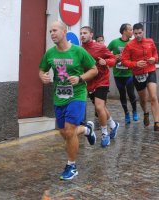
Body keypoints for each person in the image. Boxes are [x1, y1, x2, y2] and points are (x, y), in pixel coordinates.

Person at [39, 21, 98, 180]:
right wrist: (42, 76)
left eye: (55, 30)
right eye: (50, 31)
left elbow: (94, 70)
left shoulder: (78, 51)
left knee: (70, 130)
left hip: (77, 95)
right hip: (59, 96)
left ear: (64, 32)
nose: (52, 33)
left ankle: (71, 166)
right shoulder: (50, 54)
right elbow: (42, 69)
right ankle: (87, 130)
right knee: (64, 132)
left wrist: (80, 78)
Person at [80, 26, 119, 147]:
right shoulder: (79, 49)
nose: (82, 35)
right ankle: (113, 124)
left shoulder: (100, 47)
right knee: (101, 108)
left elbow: (113, 58)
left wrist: (106, 62)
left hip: (102, 80)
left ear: (91, 34)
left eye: (85, 33)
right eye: (81, 33)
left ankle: (104, 133)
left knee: (98, 106)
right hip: (89, 83)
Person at [121, 23, 159, 131]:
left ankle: (157, 122)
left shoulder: (150, 41)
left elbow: (156, 54)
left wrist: (154, 59)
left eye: (140, 33)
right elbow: (124, 61)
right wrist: (135, 64)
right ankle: (146, 113)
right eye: (135, 33)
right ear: (133, 33)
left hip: (150, 71)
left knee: (153, 96)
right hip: (138, 74)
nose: (138, 35)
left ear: (143, 31)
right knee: (143, 99)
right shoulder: (129, 45)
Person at [108, 23, 139, 124]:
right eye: (130, 30)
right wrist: (114, 57)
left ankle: (134, 111)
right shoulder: (114, 42)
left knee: (131, 93)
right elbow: (106, 53)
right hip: (118, 74)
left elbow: (137, 56)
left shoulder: (133, 43)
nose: (132, 32)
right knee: (122, 94)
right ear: (124, 31)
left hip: (129, 73)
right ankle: (126, 113)